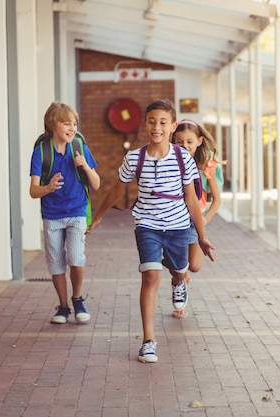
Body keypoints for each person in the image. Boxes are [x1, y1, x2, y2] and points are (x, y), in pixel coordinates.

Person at [88, 98, 215, 363]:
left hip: (179, 226)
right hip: (147, 225)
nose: (156, 127)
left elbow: (192, 199)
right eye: (152, 121)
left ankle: (179, 282)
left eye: (163, 122)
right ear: (145, 124)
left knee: (180, 269)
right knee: (150, 277)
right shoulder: (135, 157)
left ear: (173, 126)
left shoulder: (183, 158)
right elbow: (117, 188)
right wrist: (99, 216)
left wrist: (202, 236)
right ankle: (148, 341)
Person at [29, 101, 100, 324]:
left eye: (74, 124)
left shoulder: (79, 147)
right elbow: (33, 191)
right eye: (66, 123)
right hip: (52, 214)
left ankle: (78, 298)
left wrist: (85, 166)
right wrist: (48, 188)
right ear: (53, 125)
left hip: (77, 211)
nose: (72, 128)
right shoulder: (41, 152)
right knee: (56, 262)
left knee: (76, 257)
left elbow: (96, 184)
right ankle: (63, 307)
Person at [172, 119, 222, 298]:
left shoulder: (206, 164)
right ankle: (178, 286)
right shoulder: (171, 161)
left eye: (189, 142)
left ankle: (181, 271)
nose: (184, 146)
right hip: (173, 218)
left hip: (195, 219)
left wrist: (205, 219)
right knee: (179, 266)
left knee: (194, 265)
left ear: (199, 141)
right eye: (179, 142)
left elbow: (216, 199)